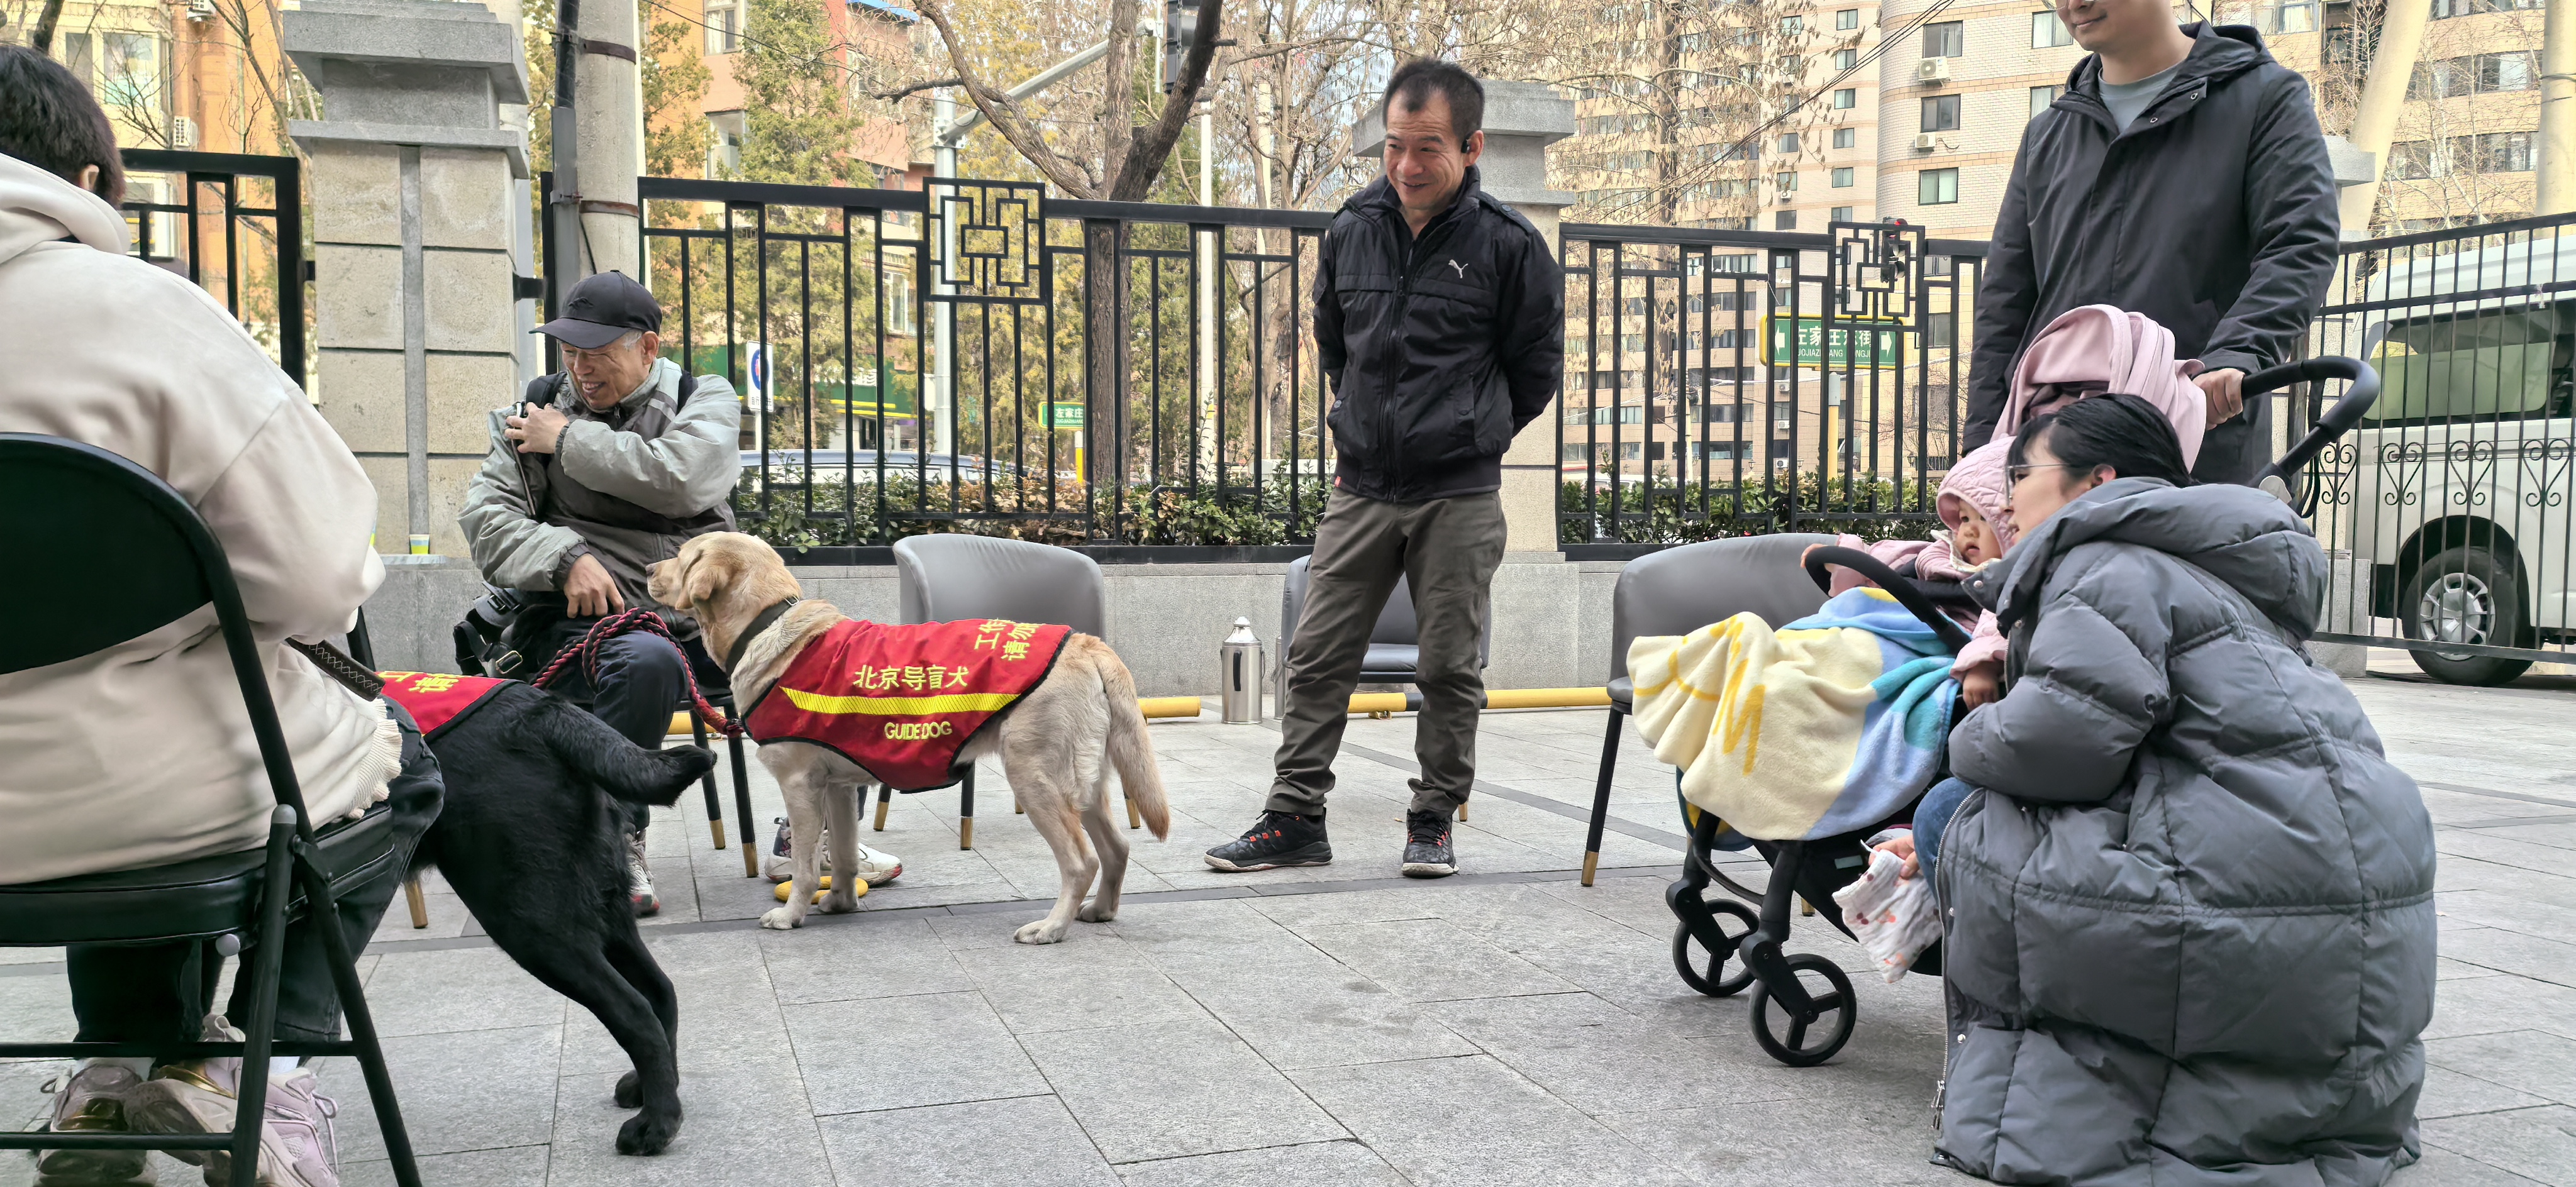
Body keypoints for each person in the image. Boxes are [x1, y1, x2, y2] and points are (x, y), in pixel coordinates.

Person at [0, 45, 442, 1187]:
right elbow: (316, 575)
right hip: (143, 784)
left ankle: (108, 1075)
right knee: (399, 767)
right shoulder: (143, 313)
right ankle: (253, 1067)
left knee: (119, 773)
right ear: (86, 183)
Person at [1922, 394, 2434, 1183]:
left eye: (2021, 472)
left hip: (2247, 882)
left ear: (2096, 482)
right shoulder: (2214, 565)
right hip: (2357, 877)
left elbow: (2059, 745)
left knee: (1950, 813)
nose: (2008, 495)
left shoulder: (2102, 562)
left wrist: (1963, 735)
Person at [1202, 59, 1562, 880]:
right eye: (1395, 145)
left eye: (1427, 146)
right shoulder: (1351, 228)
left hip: (1458, 493)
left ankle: (1432, 819)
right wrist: (1365, 427)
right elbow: (1336, 344)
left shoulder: (1510, 246)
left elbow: (1534, 368)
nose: (1406, 164)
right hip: (1362, 485)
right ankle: (1294, 817)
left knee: (1449, 666)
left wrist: (1474, 432)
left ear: (1470, 147)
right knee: (1316, 652)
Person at [458, 272, 901, 913]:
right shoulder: (532, 411)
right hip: (594, 623)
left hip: (709, 623)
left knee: (828, 659)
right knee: (647, 662)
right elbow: (485, 519)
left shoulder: (703, 398)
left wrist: (569, 440)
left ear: (647, 347)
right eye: (570, 352)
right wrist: (562, 557)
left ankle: (815, 839)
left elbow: (685, 480)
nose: (581, 369)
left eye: (597, 353)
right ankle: (612, 842)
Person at [1963, 0, 2341, 487]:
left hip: (2192, 441)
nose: (2073, 3)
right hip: (2053, 457)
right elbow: (2005, 303)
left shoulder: (2264, 98)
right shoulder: (2047, 136)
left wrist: (2236, 355)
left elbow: (2298, 244)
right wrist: (1980, 454)